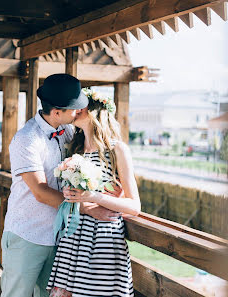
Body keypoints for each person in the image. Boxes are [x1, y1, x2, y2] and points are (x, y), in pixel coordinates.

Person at [1, 74, 120, 297]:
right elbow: (41, 192)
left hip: (59, 238)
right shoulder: (26, 139)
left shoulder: (69, 132)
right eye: (75, 109)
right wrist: (89, 208)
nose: (79, 112)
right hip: (27, 235)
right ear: (57, 112)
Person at [47, 89, 141, 297]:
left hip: (101, 240)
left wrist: (95, 197)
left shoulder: (117, 150)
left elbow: (135, 206)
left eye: (80, 104)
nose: (74, 109)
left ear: (95, 110)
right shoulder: (75, 150)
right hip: (73, 237)